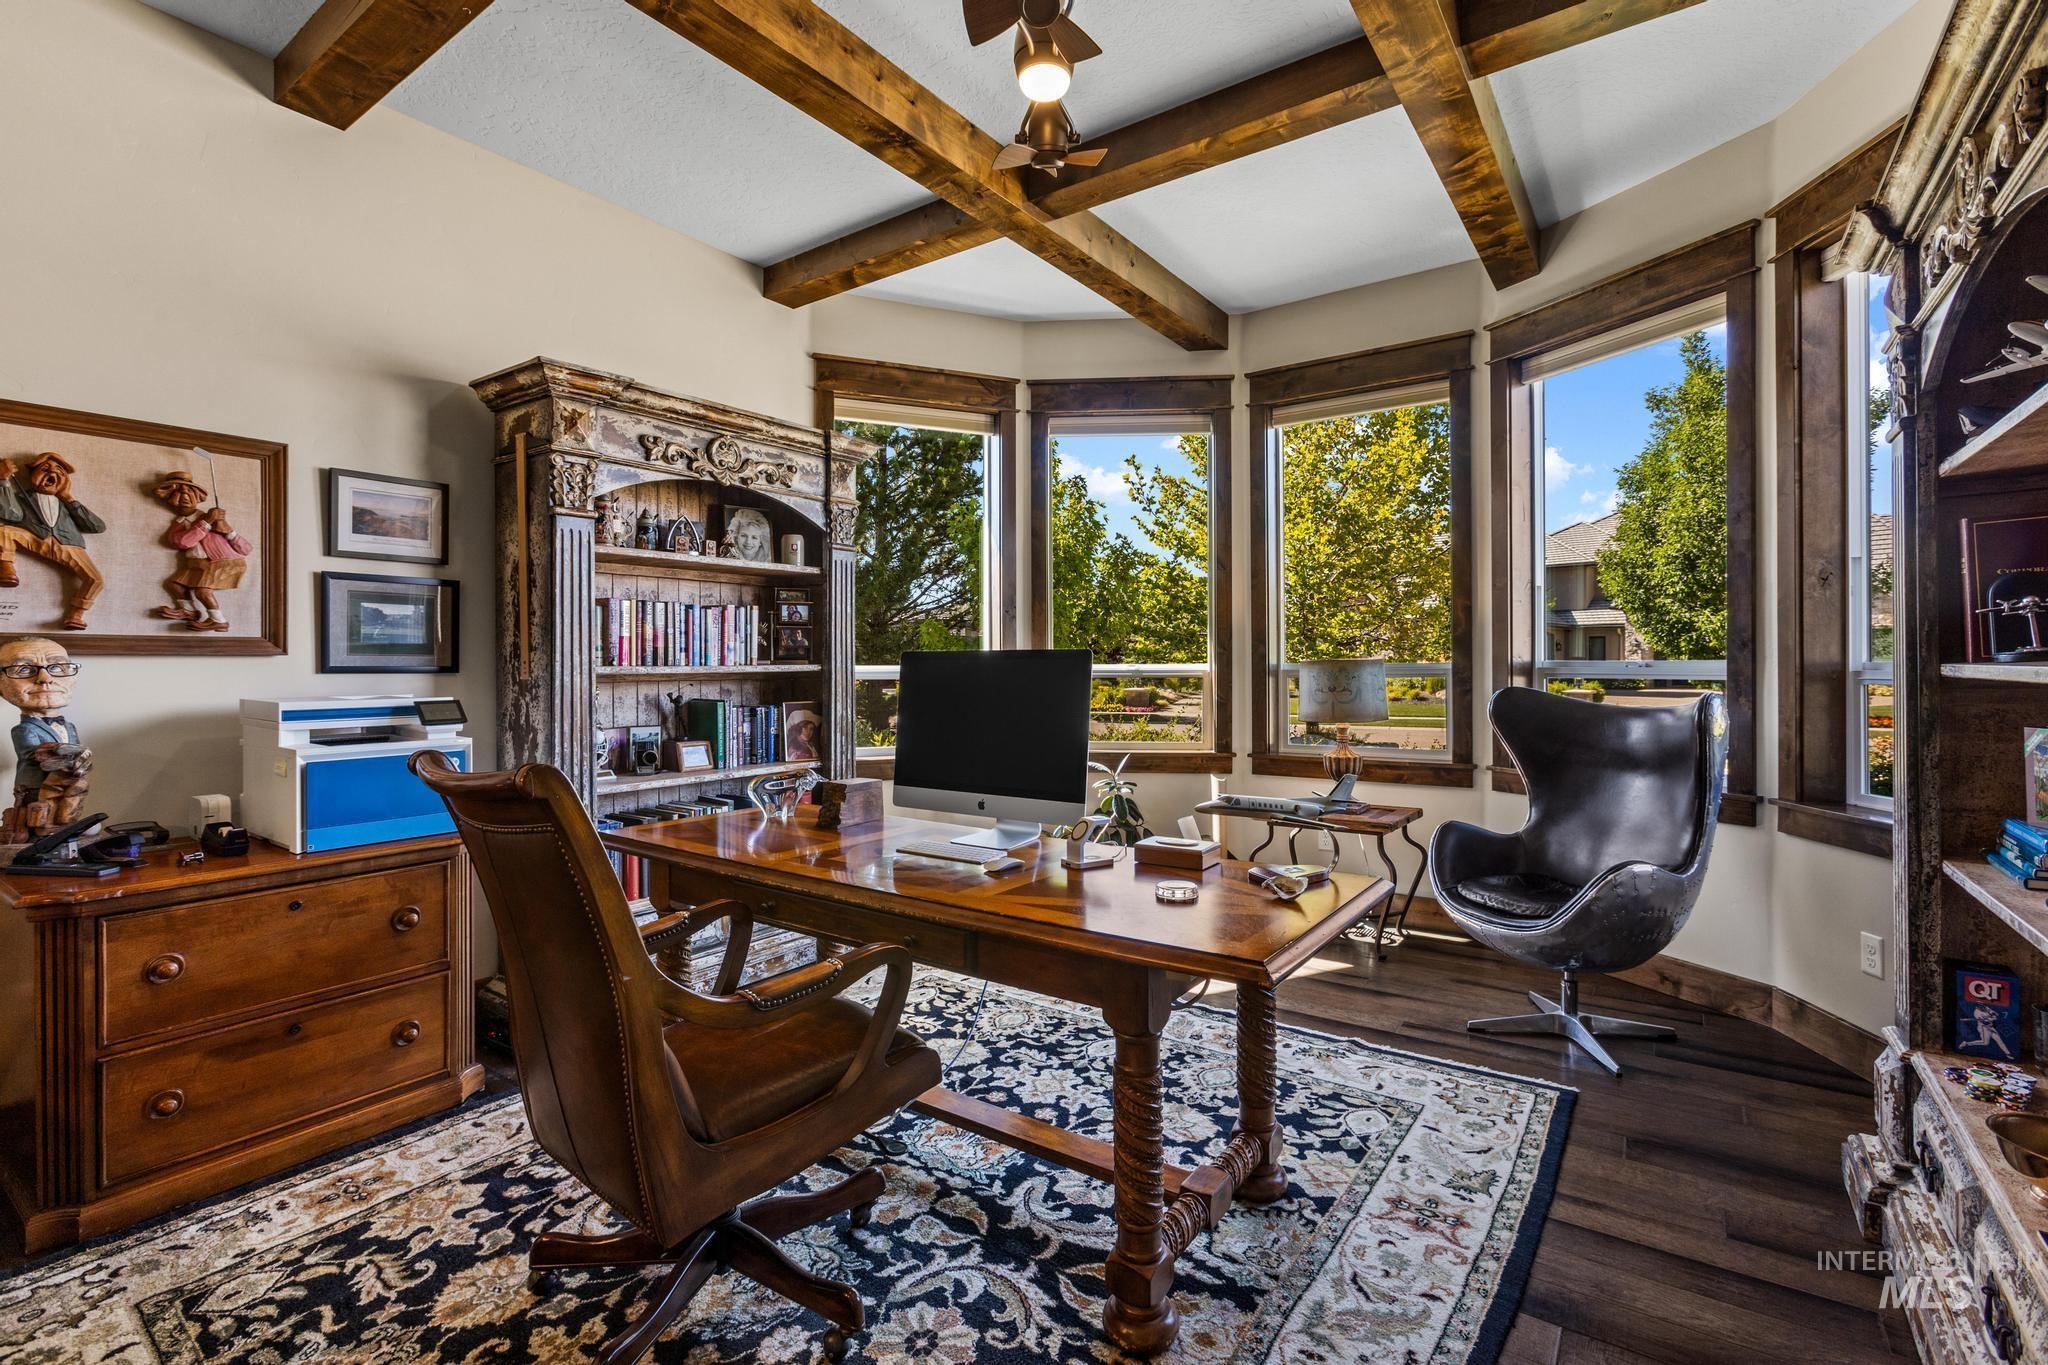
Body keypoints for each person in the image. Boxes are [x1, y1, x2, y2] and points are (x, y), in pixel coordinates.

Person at [0, 453, 107, 630]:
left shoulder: (66, 504)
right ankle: (6, 568)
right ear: (32, 474)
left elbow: (97, 526)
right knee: (3, 530)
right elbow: (11, 514)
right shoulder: (22, 497)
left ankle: (76, 614)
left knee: (96, 580)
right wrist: (4, 481)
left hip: (67, 544)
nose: (52, 474)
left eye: (60, 472)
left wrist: (68, 498)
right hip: (35, 538)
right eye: (45, 469)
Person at [0, 636, 90, 843]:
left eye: (57, 667)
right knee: (38, 816)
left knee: (69, 805)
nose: (45, 678)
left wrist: (80, 759)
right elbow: (35, 755)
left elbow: (76, 751)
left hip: (68, 780)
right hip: (34, 787)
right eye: (24, 669)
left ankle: (64, 827)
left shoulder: (69, 726)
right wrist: (69, 753)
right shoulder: (23, 729)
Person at [152, 469, 252, 632]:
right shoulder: (182, 522)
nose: (184, 497)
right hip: (198, 564)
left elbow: (246, 548)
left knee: (202, 592)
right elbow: (182, 542)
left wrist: (226, 529)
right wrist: (206, 522)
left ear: (198, 497)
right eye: (178, 493)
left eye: (189, 492)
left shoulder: (214, 519)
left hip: (223, 562)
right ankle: (189, 611)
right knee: (174, 585)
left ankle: (219, 620)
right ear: (169, 499)